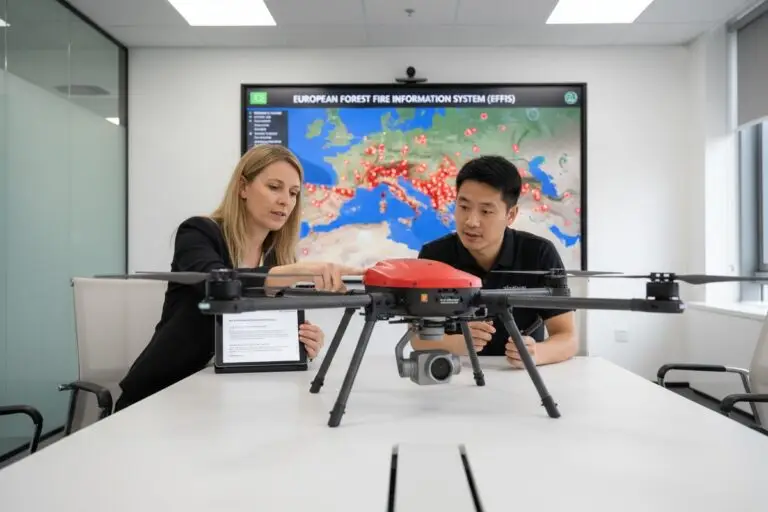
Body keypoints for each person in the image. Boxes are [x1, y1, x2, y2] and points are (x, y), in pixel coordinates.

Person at [114, 144, 364, 411]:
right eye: (274, 187)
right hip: (160, 396)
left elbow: (259, 332)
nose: (285, 201)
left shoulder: (276, 259)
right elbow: (218, 285)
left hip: (225, 398)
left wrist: (300, 342)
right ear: (243, 187)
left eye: (293, 193)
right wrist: (295, 272)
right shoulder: (198, 232)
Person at [412, 155, 578, 368]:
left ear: (511, 215)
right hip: (454, 372)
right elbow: (416, 337)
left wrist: (537, 353)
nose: (471, 221)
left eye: (486, 211)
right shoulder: (434, 257)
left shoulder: (539, 254)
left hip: (520, 375)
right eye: (464, 207)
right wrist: (459, 343)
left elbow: (567, 337)